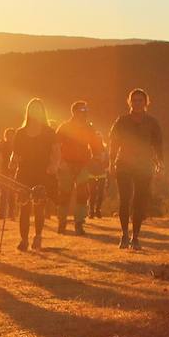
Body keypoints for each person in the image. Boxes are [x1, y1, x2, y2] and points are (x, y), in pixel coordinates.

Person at [107, 89, 162, 250]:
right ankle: (124, 234)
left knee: (139, 201)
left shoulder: (152, 122)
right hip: (123, 163)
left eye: (140, 100)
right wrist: (111, 162)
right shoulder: (122, 121)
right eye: (134, 100)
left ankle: (135, 237)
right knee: (125, 199)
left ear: (146, 103)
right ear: (129, 102)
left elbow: (158, 144)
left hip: (144, 165)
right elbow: (113, 142)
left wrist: (160, 162)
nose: (137, 103)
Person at [11, 98, 59, 252]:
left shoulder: (49, 132)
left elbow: (56, 152)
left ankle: (38, 236)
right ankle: (24, 239)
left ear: (42, 112)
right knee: (24, 207)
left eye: (38, 109)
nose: (35, 112)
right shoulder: (20, 132)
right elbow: (15, 153)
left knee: (39, 206)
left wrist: (53, 166)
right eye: (32, 109)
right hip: (24, 172)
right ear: (28, 112)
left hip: (42, 173)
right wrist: (13, 161)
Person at [55, 101, 99, 236]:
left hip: (83, 165)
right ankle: (62, 222)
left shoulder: (88, 128)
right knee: (64, 195)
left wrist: (96, 158)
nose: (84, 112)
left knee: (82, 195)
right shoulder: (65, 127)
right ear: (74, 112)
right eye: (82, 110)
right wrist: (59, 162)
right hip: (66, 164)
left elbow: (95, 145)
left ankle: (79, 223)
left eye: (86, 110)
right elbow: (55, 144)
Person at [0, 127, 18, 221]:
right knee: (4, 193)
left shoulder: (17, 145)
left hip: (14, 171)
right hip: (4, 171)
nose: (11, 137)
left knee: (12, 193)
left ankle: (11, 213)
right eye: (9, 135)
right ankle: (2, 214)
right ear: (6, 136)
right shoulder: (3, 144)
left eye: (12, 135)